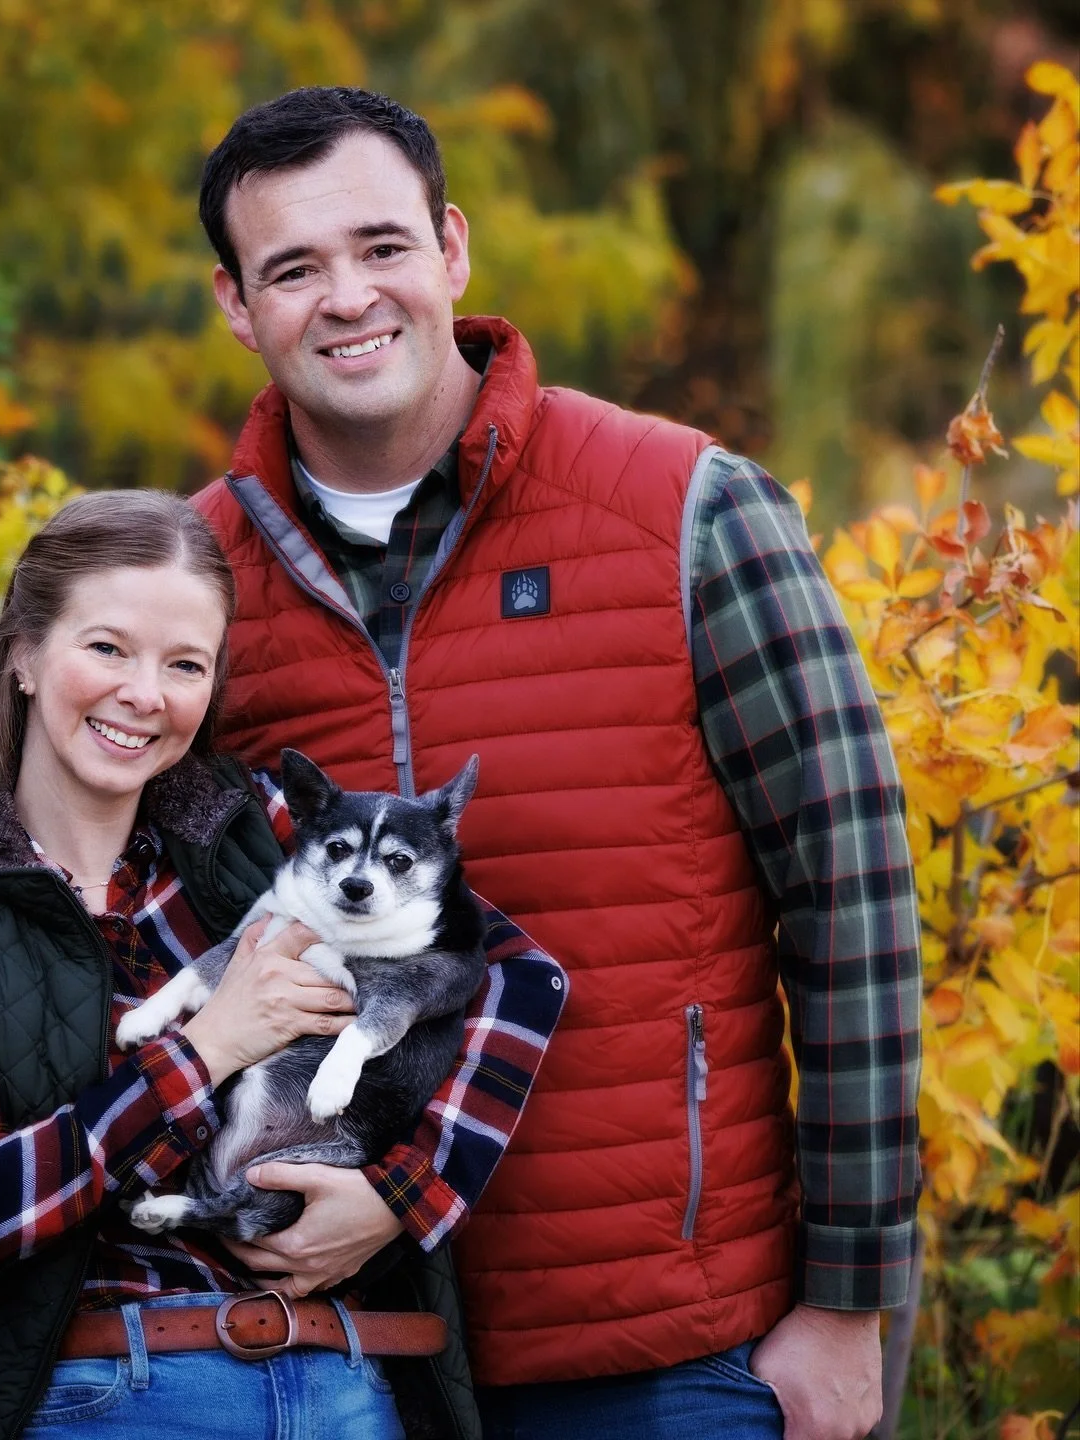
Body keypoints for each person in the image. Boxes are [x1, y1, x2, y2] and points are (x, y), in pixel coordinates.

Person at [190, 87, 923, 1440]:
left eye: (381, 246)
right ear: (236, 304)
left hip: (671, 1350)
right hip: (332, 1359)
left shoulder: (685, 510)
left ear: (453, 248)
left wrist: (851, 1304)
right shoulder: (193, 590)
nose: (349, 298)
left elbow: (855, 904)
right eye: (293, 269)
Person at [0, 490, 565, 1440]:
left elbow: (519, 979)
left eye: (184, 664)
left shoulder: (260, 829)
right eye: (108, 648)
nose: (144, 694)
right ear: (24, 657)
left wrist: (404, 1194)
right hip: (109, 1393)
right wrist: (209, 1045)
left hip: (351, 1386)